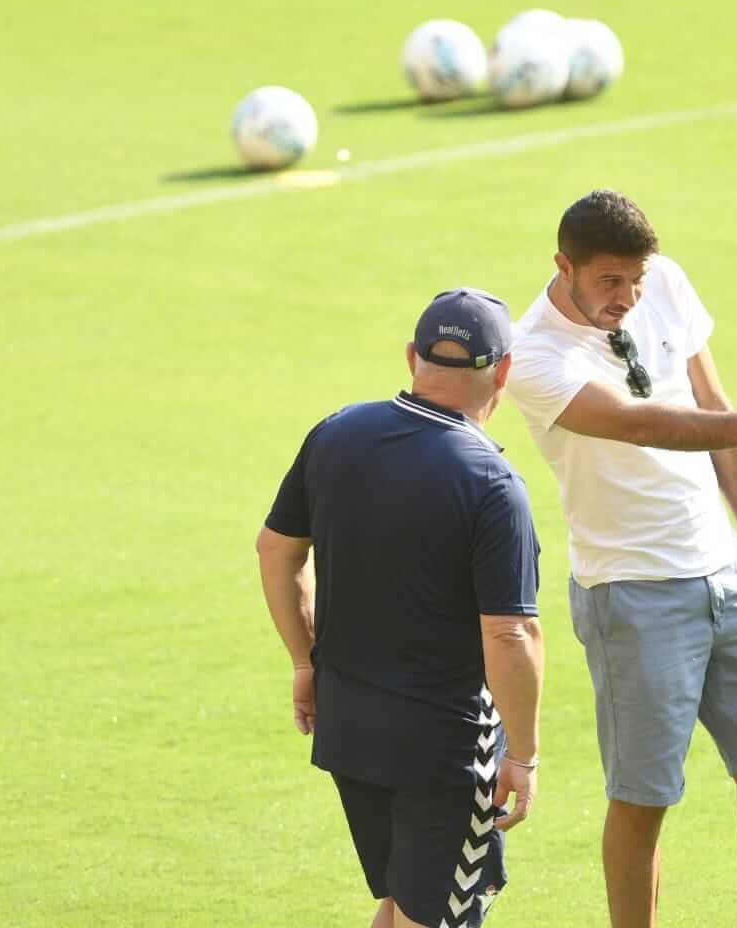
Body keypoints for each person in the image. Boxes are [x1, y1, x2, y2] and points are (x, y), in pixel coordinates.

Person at [505, 189, 737, 928]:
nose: (628, 296)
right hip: (633, 596)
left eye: (637, 279)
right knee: (643, 799)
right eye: (609, 282)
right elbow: (637, 424)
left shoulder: (668, 283)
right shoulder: (532, 356)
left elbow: (709, 399)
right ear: (565, 267)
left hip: (729, 576)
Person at [256, 288, 544, 928]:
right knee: (435, 916)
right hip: (441, 749)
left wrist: (306, 664)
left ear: (413, 356)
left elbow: (275, 551)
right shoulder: (492, 484)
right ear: (503, 372)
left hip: (349, 728)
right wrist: (521, 756)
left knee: (402, 906)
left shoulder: (335, 433)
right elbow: (511, 633)